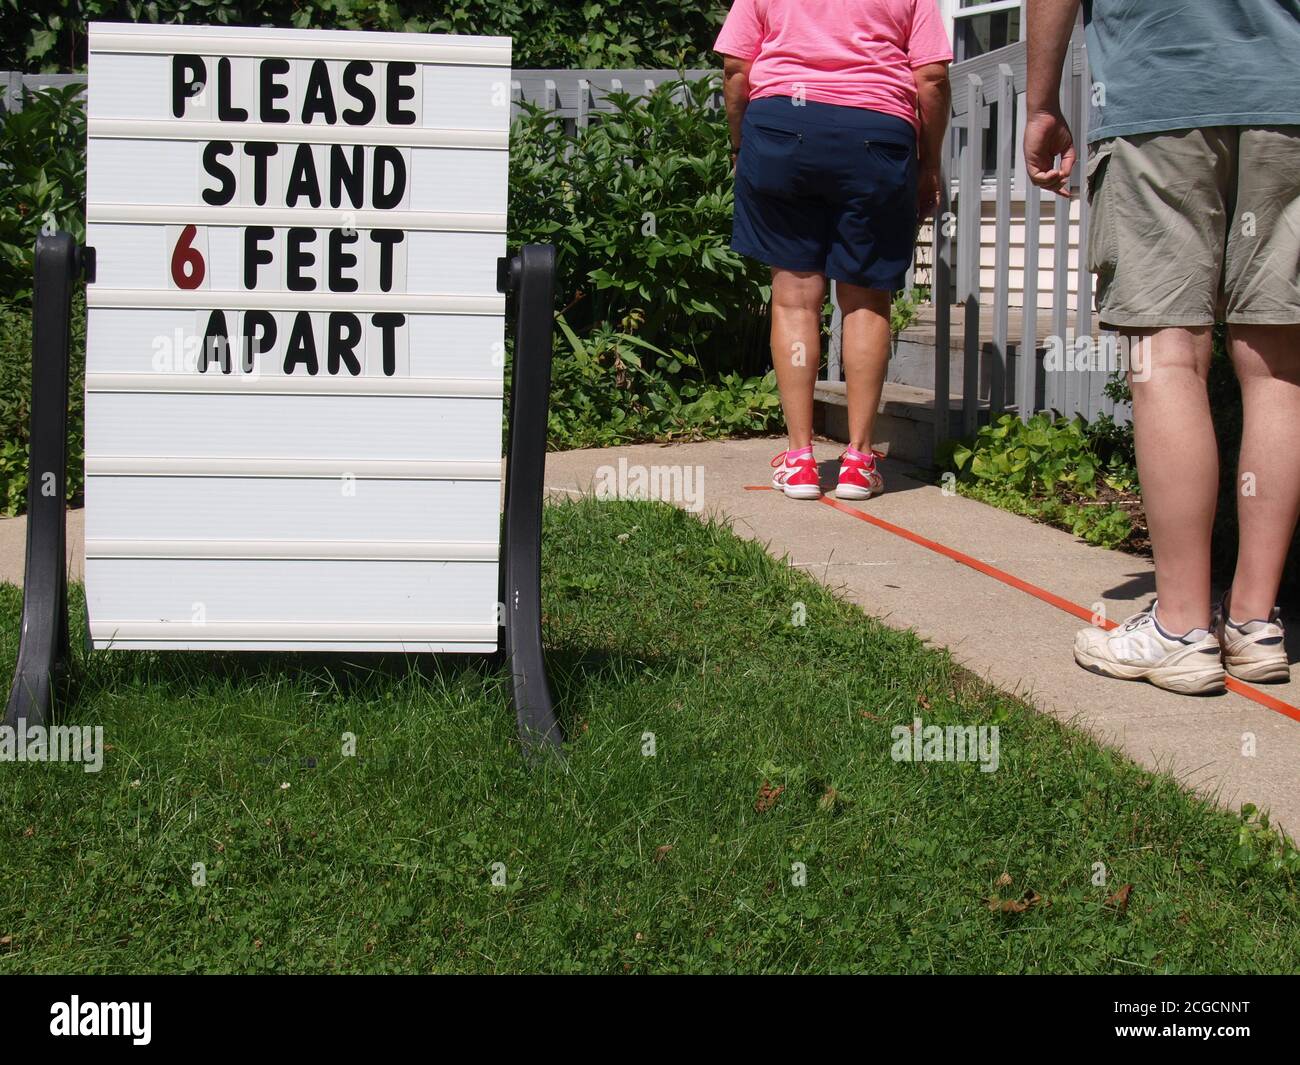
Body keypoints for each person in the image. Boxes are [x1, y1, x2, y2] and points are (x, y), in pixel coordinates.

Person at [1026, 0, 1300, 692]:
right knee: (1279, 369)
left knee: (1167, 356)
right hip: (1288, 94)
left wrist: (1041, 101)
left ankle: (1180, 627)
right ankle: (1253, 621)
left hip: (1162, 86)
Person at [716, 0, 952, 500]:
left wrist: (741, 146)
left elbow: (737, 68)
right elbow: (930, 78)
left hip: (782, 134)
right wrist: (928, 163)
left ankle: (800, 459)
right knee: (867, 299)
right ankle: (859, 461)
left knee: (794, 296)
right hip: (875, 135)